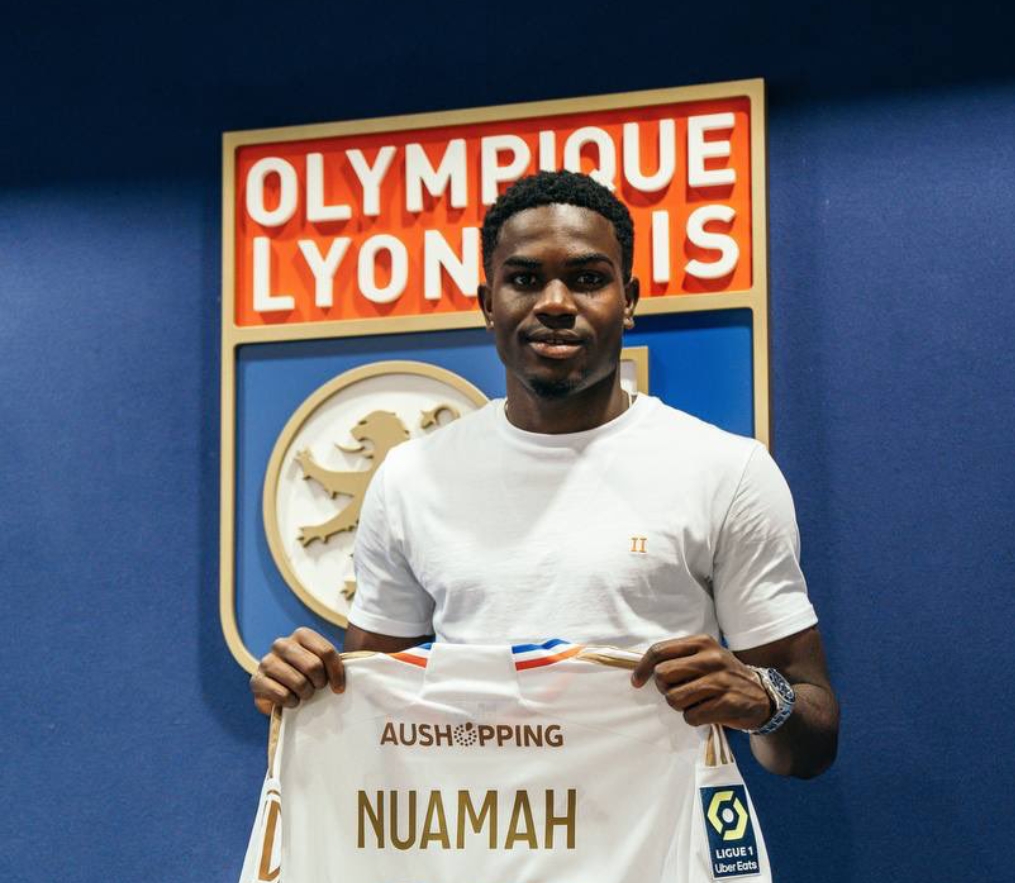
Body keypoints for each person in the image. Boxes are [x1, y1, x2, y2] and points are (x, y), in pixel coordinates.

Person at [250, 170, 839, 779]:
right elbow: (369, 716)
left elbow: (814, 742)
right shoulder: (411, 477)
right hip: (472, 831)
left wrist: (766, 704)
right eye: (525, 280)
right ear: (488, 305)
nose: (555, 303)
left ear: (629, 301)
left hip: (659, 836)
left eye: (587, 279)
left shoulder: (726, 470)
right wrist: (303, 690)